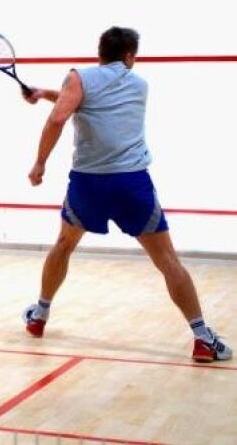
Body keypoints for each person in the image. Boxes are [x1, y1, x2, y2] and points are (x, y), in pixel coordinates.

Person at [21, 26, 231, 363]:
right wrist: (46, 92)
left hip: (88, 185)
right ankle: (202, 337)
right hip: (131, 184)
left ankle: (39, 315)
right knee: (167, 260)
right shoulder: (139, 85)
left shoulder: (78, 78)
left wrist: (39, 163)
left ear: (99, 51)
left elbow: (62, 114)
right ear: (130, 56)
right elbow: (86, 102)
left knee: (64, 244)